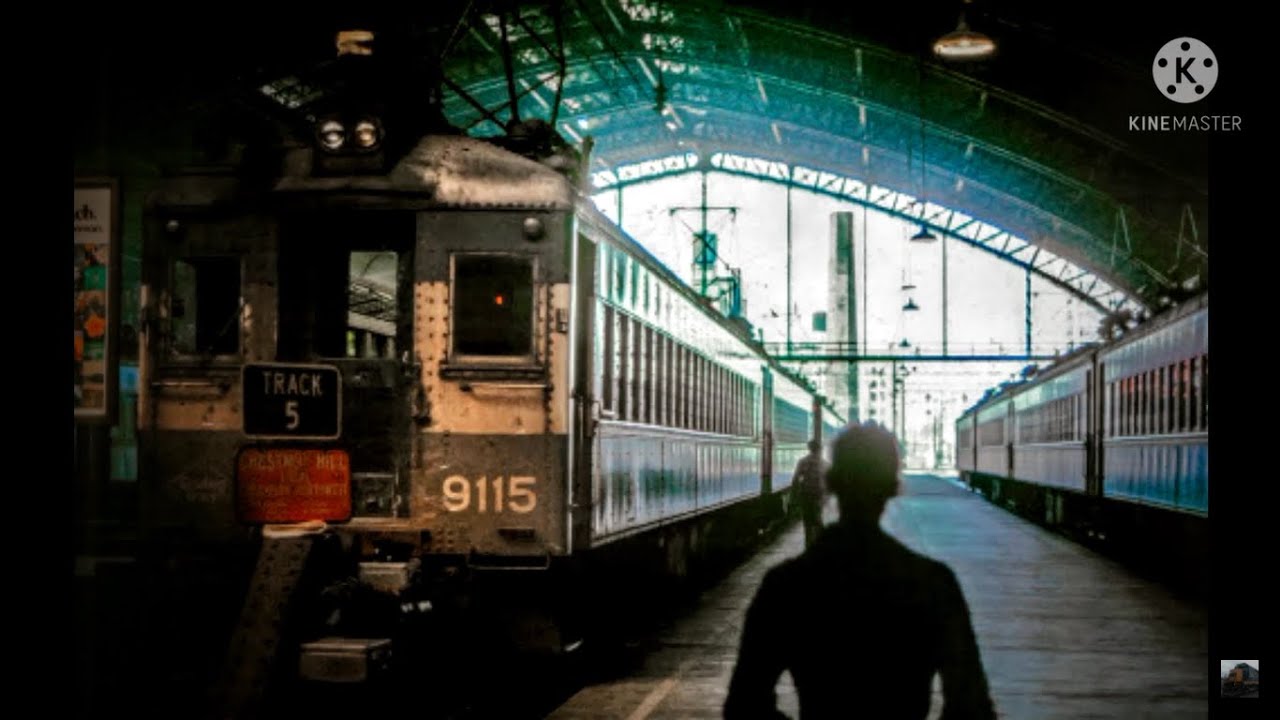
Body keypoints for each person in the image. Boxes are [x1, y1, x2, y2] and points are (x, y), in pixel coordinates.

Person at [725, 422, 996, 720]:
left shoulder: (787, 584)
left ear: (833, 482)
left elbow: (744, 705)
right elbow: (972, 709)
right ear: (893, 486)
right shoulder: (933, 584)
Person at [790, 440, 829, 549]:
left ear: (809, 448)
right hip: (818, 496)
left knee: (807, 523)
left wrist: (793, 497)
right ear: (820, 449)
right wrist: (826, 496)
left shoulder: (802, 462)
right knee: (817, 519)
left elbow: (795, 479)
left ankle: (808, 546)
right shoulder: (825, 464)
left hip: (805, 495)